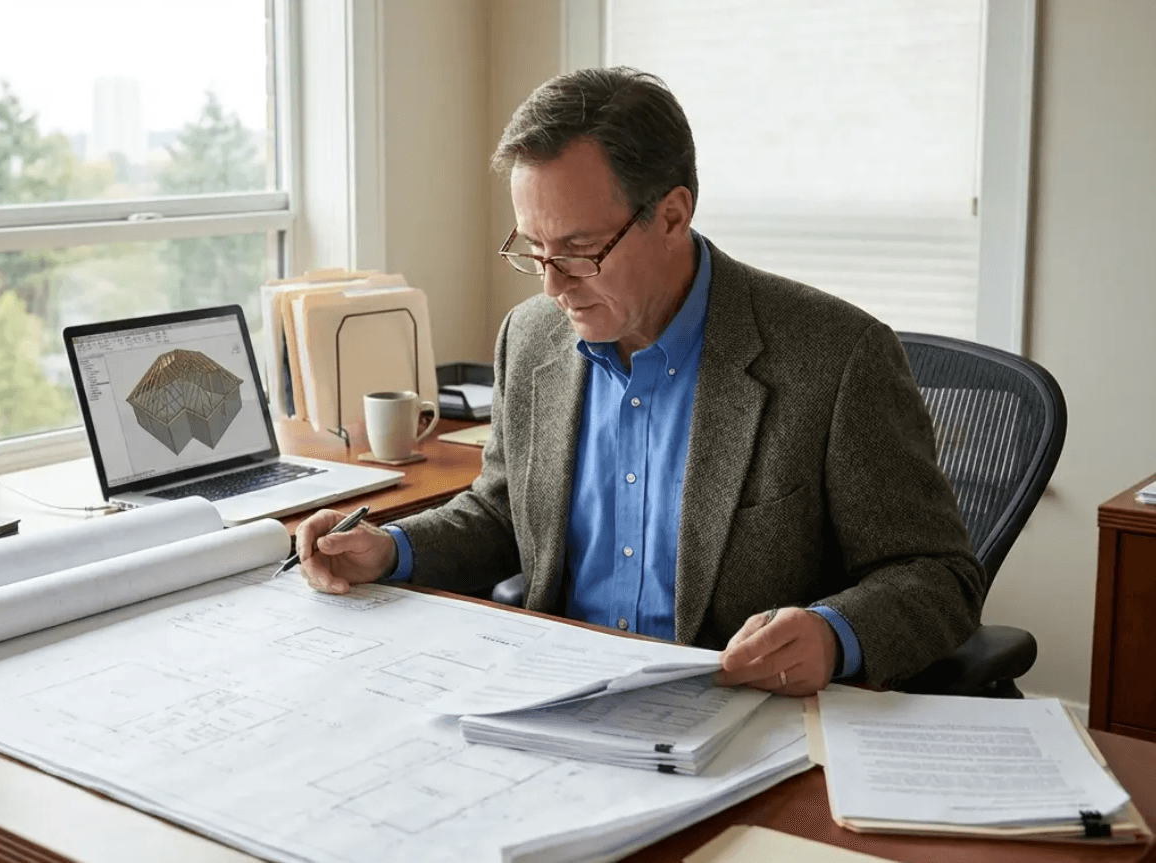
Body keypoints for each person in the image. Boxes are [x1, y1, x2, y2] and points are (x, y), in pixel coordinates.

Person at [293, 67, 984, 695]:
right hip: (551, 696)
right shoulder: (529, 337)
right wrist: (389, 548)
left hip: (736, 715)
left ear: (673, 215)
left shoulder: (836, 356)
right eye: (533, 250)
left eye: (579, 251)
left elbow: (937, 575)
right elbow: (504, 514)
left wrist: (835, 634)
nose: (553, 285)